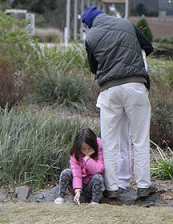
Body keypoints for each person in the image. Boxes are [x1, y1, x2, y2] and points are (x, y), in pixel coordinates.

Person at [81, 6, 156, 198]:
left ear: (90, 24)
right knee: (139, 139)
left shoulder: (91, 37)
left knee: (109, 142)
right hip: (135, 86)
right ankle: (143, 186)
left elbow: (93, 68)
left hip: (110, 90)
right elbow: (148, 46)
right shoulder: (125, 23)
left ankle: (112, 188)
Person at [54, 128, 104, 205]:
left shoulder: (99, 150)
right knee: (66, 172)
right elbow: (76, 173)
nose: (86, 151)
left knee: (98, 177)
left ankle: (94, 201)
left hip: (91, 185)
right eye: (83, 149)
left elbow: (98, 169)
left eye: (89, 148)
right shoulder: (75, 154)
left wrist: (87, 159)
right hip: (77, 184)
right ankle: (61, 196)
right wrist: (77, 190)